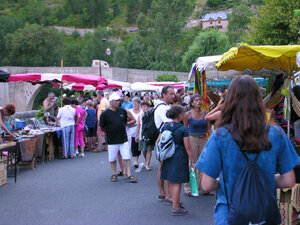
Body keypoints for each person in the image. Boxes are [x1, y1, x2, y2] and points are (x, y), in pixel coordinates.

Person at [196, 75, 300, 224]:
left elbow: (207, 184)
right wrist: (267, 178)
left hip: (229, 215)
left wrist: (226, 182)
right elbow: (289, 181)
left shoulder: (220, 136)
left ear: (230, 101)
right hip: (265, 215)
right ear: (258, 101)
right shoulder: (277, 134)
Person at [160, 105, 196, 216]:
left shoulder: (165, 127)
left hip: (167, 156)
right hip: (179, 156)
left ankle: (172, 200)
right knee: (177, 182)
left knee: (170, 179)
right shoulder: (183, 129)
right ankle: (176, 207)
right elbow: (188, 147)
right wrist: (193, 161)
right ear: (180, 115)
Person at [100, 92, 138, 183]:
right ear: (111, 101)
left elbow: (127, 121)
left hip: (123, 138)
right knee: (112, 158)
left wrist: (126, 124)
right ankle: (114, 173)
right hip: (112, 139)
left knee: (126, 156)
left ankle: (128, 174)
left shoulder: (123, 111)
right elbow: (102, 126)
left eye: (118, 100)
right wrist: (110, 131)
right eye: (116, 100)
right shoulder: (105, 114)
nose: (118, 102)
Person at [184, 94, 211, 196]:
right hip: (192, 139)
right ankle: (190, 188)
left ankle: (203, 187)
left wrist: (212, 138)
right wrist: (185, 142)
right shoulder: (188, 114)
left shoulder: (205, 113)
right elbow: (185, 128)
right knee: (193, 162)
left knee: (203, 163)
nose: (199, 102)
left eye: (200, 100)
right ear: (192, 103)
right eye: (196, 100)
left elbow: (208, 128)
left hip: (203, 138)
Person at [154, 85, 175, 202]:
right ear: (164, 95)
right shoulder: (163, 108)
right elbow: (169, 124)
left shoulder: (164, 107)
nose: (173, 96)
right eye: (171, 94)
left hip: (163, 140)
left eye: (173, 93)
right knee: (165, 167)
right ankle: (168, 195)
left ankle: (163, 193)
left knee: (162, 167)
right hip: (165, 140)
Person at [135, 101, 153, 170]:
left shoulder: (151, 115)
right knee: (143, 150)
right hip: (141, 134)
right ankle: (146, 160)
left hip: (149, 134)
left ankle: (147, 164)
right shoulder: (140, 116)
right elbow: (138, 126)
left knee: (149, 149)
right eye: (142, 106)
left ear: (148, 107)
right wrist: (136, 136)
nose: (144, 108)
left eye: (145, 106)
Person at [129, 97, 143, 168]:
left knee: (139, 148)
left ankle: (137, 158)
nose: (134, 105)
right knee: (133, 146)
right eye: (133, 103)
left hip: (141, 132)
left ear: (139, 104)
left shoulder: (142, 112)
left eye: (136, 104)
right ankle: (135, 161)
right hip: (132, 131)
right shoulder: (130, 111)